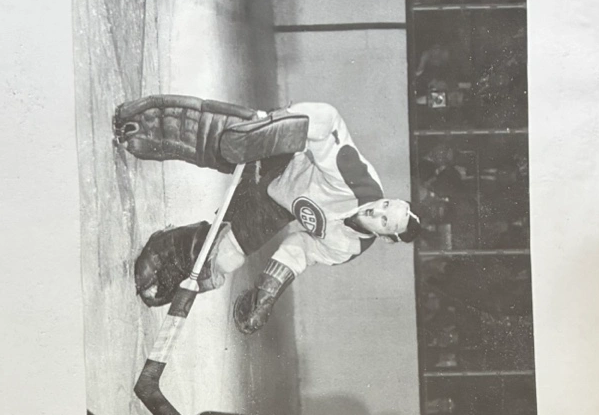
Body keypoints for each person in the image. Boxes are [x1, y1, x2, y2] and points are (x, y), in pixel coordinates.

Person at [113, 96, 420, 336]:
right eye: (385, 205)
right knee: (221, 137)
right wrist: (281, 125)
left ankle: (169, 250)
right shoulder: (359, 182)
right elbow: (330, 123)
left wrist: (269, 292)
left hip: (274, 205)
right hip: (279, 156)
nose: (376, 210)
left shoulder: (348, 247)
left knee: (224, 259)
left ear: (385, 237)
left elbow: (303, 249)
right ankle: (147, 125)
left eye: (383, 220)